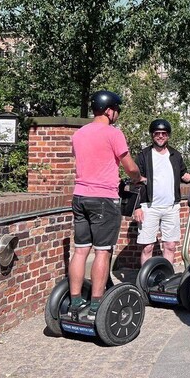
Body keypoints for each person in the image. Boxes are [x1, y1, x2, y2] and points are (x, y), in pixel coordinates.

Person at [68, 90, 141, 320]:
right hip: (104, 200)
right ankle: (96, 306)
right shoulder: (113, 133)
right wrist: (138, 177)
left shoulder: (78, 134)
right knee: (103, 251)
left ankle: (75, 300)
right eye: (116, 110)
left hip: (79, 197)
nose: (117, 114)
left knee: (80, 250)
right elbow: (129, 166)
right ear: (109, 111)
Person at [133, 119, 190, 265]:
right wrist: (137, 207)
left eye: (164, 133)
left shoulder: (175, 155)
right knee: (147, 247)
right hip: (149, 207)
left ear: (168, 136)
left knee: (170, 246)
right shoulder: (144, 155)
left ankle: (167, 279)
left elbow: (183, 173)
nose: (160, 136)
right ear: (152, 135)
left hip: (171, 208)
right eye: (157, 133)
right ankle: (144, 283)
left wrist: (189, 177)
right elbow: (136, 181)